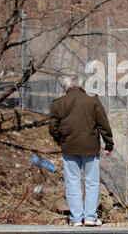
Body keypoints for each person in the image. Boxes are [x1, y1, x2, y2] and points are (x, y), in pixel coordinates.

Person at [48, 74, 113, 226]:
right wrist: (109, 143)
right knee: (92, 182)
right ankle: (90, 217)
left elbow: (53, 127)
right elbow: (103, 124)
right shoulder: (92, 101)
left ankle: (76, 218)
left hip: (69, 147)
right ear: (82, 86)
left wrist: (60, 140)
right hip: (90, 147)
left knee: (72, 183)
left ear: (66, 87)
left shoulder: (59, 103)